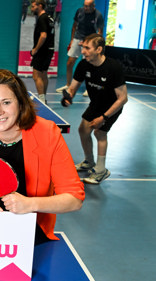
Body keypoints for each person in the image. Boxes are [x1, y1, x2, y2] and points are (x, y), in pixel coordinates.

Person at [0, 69, 84, 245]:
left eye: (6, 102)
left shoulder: (47, 133)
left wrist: (30, 204)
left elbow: (74, 199)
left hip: (32, 231)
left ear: (20, 102)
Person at [62, 34, 127, 184]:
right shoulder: (84, 64)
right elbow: (73, 87)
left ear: (98, 49)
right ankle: (89, 162)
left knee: (99, 132)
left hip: (112, 106)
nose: (83, 51)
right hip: (96, 103)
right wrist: (68, 96)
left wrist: (103, 118)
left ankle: (101, 170)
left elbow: (123, 98)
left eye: (87, 48)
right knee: (83, 130)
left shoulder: (113, 67)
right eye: (83, 47)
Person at [56, 0, 104, 96]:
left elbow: (100, 31)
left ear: (93, 6)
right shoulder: (79, 11)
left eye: (88, 6)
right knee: (69, 62)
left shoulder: (98, 15)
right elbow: (74, 26)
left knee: (88, 66)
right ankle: (68, 85)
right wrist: (72, 40)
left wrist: (95, 44)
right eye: (85, 6)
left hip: (90, 41)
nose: (86, 8)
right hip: (77, 38)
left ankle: (89, 88)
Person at [30, 0, 55, 104]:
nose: (31, 9)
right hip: (49, 50)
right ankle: (43, 98)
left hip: (42, 51)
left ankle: (41, 100)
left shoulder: (42, 18)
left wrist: (35, 49)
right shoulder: (49, 17)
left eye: (33, 6)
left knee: (36, 75)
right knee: (44, 74)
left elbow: (43, 35)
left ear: (40, 6)